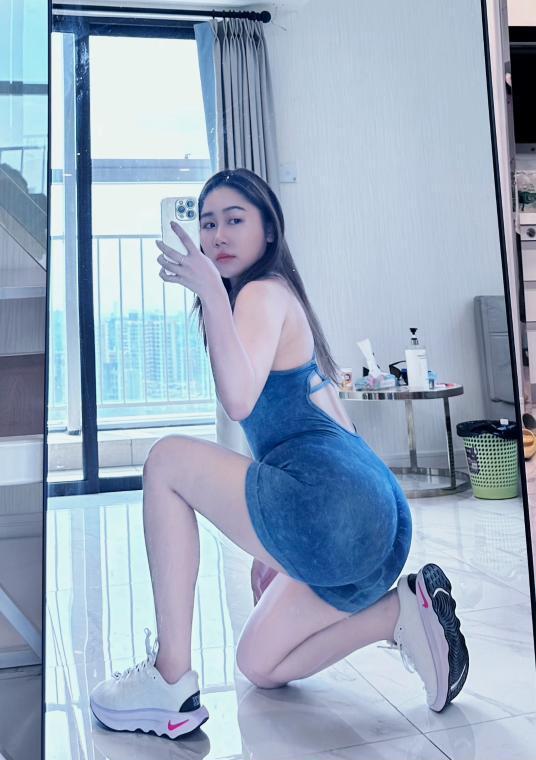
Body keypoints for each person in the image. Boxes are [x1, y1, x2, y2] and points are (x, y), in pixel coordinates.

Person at [90, 168, 469, 738]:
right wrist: (279, 544)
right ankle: (399, 613)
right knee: (259, 664)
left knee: (165, 461)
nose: (218, 234)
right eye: (208, 223)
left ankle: (168, 680)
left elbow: (239, 400)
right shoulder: (280, 295)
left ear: (269, 230)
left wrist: (212, 295)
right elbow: (327, 422)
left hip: (331, 504)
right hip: (374, 519)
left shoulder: (259, 294)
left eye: (234, 220)